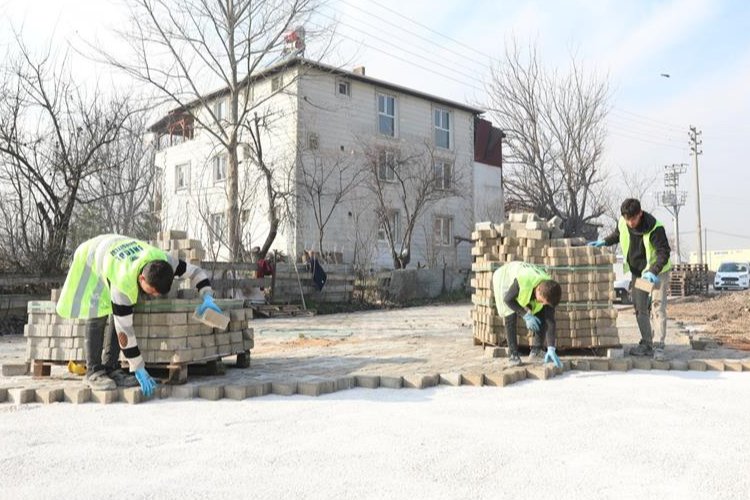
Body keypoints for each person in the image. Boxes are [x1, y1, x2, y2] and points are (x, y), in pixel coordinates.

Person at [56, 235, 222, 395]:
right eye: (151, 291)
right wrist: (139, 367)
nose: (153, 296)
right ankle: (93, 372)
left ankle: (111, 368)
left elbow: (196, 272)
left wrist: (207, 295)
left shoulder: (164, 260)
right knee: (98, 311)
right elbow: (124, 332)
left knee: (117, 314)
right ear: (142, 278)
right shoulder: (123, 283)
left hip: (117, 246)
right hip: (92, 255)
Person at [588, 198, 672, 360]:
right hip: (639, 272)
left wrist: (654, 271)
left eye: (632, 219)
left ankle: (659, 346)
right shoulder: (623, 221)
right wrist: (604, 242)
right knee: (640, 308)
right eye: (627, 219)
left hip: (656, 273)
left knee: (657, 307)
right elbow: (618, 235)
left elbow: (664, 252)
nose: (630, 223)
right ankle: (647, 344)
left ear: (640, 214)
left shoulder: (655, 227)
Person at [492, 261, 563, 367]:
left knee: (542, 312)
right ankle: (513, 355)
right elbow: (508, 300)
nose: (543, 303)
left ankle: (536, 350)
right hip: (504, 277)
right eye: (542, 300)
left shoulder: (548, 289)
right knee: (509, 313)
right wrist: (525, 315)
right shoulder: (524, 281)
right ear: (538, 289)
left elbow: (550, 320)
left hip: (528, 281)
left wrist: (551, 347)